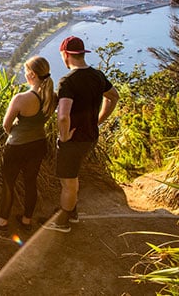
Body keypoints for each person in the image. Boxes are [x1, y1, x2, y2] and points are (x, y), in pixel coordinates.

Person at [43, 36, 119, 233]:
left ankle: (62, 223)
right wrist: (98, 120)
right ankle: (72, 212)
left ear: (65, 54)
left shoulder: (68, 81)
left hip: (73, 139)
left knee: (68, 181)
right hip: (91, 136)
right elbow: (113, 97)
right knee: (73, 176)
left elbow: (63, 116)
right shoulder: (97, 76)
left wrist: (63, 136)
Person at [0, 56, 57, 232]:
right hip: (38, 144)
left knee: (9, 183)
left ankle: (3, 221)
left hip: (17, 146)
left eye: (26, 71)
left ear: (32, 74)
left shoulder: (21, 98)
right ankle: (26, 220)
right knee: (30, 182)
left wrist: (15, 135)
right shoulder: (52, 97)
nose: (25, 74)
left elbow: (6, 124)